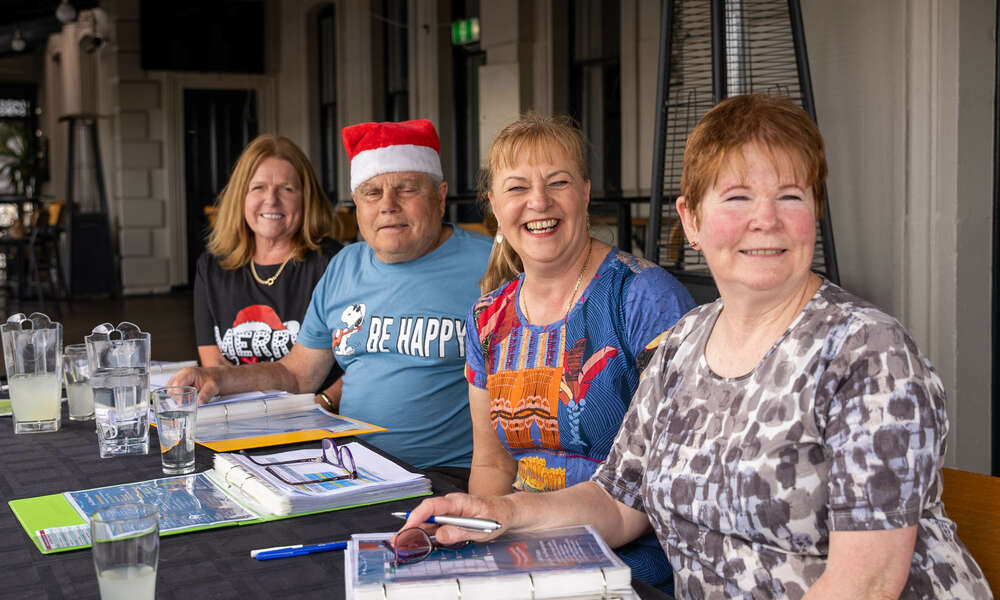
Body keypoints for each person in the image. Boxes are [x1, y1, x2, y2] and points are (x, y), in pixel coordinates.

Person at [399, 95, 992, 599]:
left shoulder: (867, 352)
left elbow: (867, 584)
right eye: (736, 198)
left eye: (790, 195)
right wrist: (500, 514)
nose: (766, 220)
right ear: (691, 220)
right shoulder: (686, 343)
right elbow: (617, 503)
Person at [171, 120, 493, 484]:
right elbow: (297, 374)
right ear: (357, 204)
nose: (388, 205)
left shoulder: (490, 267)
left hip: (444, 475)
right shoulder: (345, 266)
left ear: (439, 196)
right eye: (372, 193)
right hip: (347, 467)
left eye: (406, 189)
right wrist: (218, 377)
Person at [465, 113, 694, 591]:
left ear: (586, 193)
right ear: (493, 205)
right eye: (517, 188)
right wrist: (480, 562)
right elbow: (492, 466)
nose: (539, 202)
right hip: (522, 549)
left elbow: (675, 479)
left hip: (634, 558)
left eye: (558, 182)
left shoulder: (644, 298)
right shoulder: (487, 319)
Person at [193, 135, 343, 403]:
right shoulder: (212, 267)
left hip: (316, 419)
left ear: (306, 199)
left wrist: (325, 405)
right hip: (238, 415)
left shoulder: (334, 264)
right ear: (241, 196)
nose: (271, 201)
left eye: (286, 189)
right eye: (258, 188)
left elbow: (364, 362)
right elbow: (213, 366)